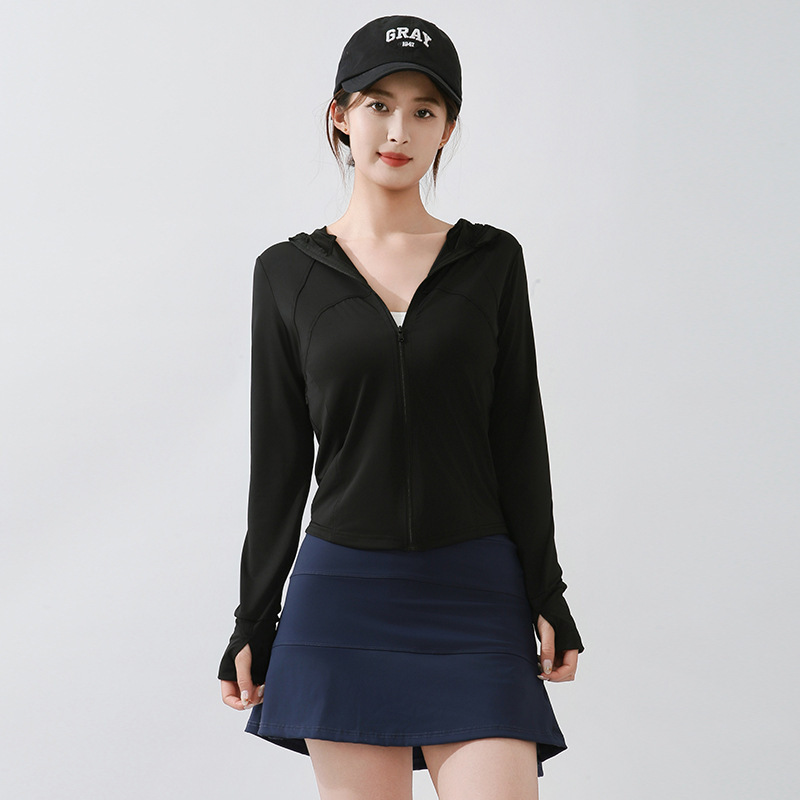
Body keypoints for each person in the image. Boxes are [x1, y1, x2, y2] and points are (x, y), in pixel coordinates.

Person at [218, 14, 584, 800]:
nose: (398, 130)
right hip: (341, 600)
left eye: (424, 110)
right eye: (378, 104)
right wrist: (253, 617)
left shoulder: (491, 261)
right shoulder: (286, 274)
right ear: (339, 115)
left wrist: (546, 590)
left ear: (448, 129)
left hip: (476, 592)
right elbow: (279, 462)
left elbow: (518, 435)